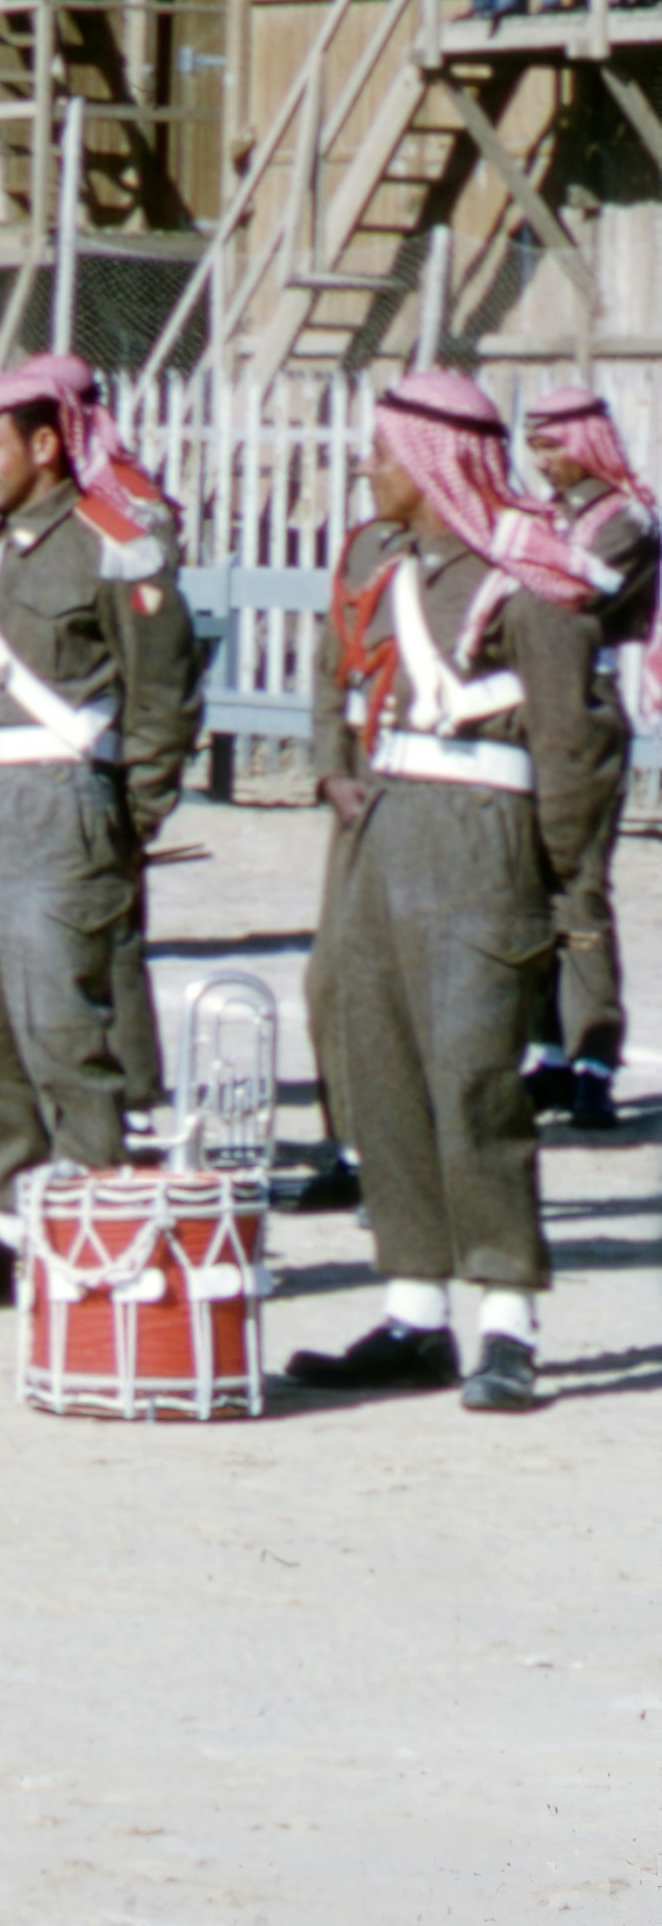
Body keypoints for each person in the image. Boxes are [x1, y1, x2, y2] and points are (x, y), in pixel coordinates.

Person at [288, 372, 612, 1410]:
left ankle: (506, 1319)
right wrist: (333, 763)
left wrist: (565, 888)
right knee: (374, 1065)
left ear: (431, 466)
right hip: (382, 833)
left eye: (384, 455)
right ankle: (414, 1309)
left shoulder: (530, 584)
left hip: (483, 842)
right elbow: (338, 675)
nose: (369, 471)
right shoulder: (382, 565)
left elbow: (574, 752)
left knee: (474, 1081)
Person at [0, 358, 203, 1304]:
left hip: (64, 797)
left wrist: (129, 813)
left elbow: (163, 695)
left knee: (64, 1028)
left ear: (44, 444)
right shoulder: (5, 539)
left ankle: (99, 1234)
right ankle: (12, 1228)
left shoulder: (113, 543)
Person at [520, 376, 649, 1124]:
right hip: (526, 705)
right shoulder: (545, 515)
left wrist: (519, 557)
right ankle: (545, 1054)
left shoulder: (625, 518)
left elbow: (579, 592)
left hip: (582, 709)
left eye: (551, 445)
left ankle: (595, 1057)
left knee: (578, 890)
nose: (541, 462)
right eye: (533, 445)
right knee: (528, 890)